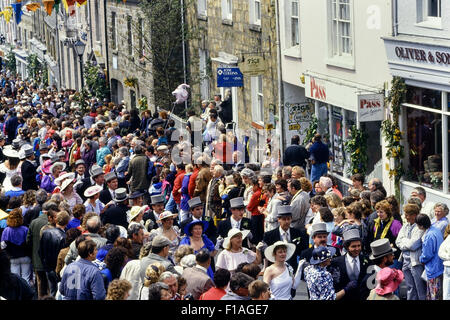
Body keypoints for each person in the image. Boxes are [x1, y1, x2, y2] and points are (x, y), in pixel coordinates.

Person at [262, 205, 309, 273]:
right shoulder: (269, 235)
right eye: (284, 219)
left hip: (293, 267)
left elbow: (303, 249)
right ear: (279, 220)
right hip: (276, 269)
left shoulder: (298, 233)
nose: (286, 222)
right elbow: (266, 252)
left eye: (288, 219)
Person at [395, 203, 426, 300]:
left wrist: (404, 242)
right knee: (410, 287)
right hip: (405, 260)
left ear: (414, 215)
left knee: (420, 288)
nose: (405, 217)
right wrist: (406, 243)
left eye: (407, 215)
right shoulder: (405, 225)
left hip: (415, 263)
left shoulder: (420, 227)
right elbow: (397, 241)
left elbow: (413, 245)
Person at [329, 228, 369, 300]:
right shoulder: (336, 262)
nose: (357, 249)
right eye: (353, 246)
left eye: (359, 245)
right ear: (347, 247)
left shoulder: (367, 260)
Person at [39, 211, 70, 296]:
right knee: (59, 293)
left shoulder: (46, 233)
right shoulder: (64, 237)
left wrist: (45, 264)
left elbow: (40, 251)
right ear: (67, 222)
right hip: (57, 270)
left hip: (48, 268)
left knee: (53, 292)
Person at [0, 208, 32, 286]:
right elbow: (29, 243)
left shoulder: (6, 230)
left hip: (12, 257)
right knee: (26, 278)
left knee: (15, 279)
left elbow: (2, 245)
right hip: (25, 256)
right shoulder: (25, 229)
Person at [417, 213, 444, 300]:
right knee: (439, 294)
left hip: (433, 269)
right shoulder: (436, 230)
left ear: (421, 225)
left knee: (433, 295)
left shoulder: (429, 236)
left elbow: (427, 255)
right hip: (440, 266)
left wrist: (421, 259)